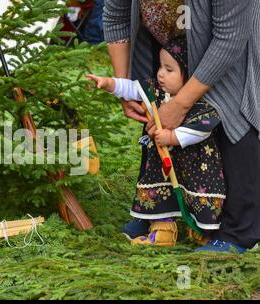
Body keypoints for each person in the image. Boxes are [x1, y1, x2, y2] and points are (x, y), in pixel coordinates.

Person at [103, 0, 260, 253]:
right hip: (167, 44)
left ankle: (237, 231)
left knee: (230, 117)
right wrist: (125, 86)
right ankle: (160, 210)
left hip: (229, 44)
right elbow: (116, 18)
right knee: (162, 128)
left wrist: (182, 104)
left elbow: (229, 38)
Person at [87, 36, 225, 247]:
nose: (161, 73)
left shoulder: (201, 102)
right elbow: (132, 88)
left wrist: (172, 137)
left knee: (197, 194)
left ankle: (202, 230)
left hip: (196, 165)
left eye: (169, 70)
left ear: (189, 74)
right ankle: (162, 228)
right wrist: (109, 83)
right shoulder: (157, 91)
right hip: (162, 162)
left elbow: (203, 128)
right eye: (161, 67)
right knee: (160, 189)